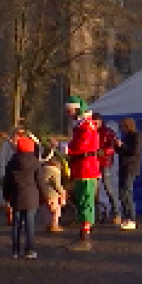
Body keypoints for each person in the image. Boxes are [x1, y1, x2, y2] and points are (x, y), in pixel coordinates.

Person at [64, 95, 100, 251]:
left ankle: (85, 238)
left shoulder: (86, 126)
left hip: (86, 167)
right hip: (81, 167)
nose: (68, 113)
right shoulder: (80, 126)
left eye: (70, 110)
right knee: (82, 200)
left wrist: (67, 149)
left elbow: (83, 146)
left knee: (86, 200)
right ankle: (83, 235)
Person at [4, 135, 44, 259]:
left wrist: (7, 197)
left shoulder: (11, 162)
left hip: (16, 196)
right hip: (31, 197)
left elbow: (7, 182)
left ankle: (15, 250)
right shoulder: (35, 162)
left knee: (16, 225)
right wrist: (44, 196)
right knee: (29, 224)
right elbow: (40, 181)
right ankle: (30, 250)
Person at [114, 117, 142, 231]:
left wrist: (122, 145)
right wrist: (117, 146)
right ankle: (127, 217)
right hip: (123, 167)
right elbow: (122, 151)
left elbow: (134, 152)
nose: (121, 129)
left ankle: (132, 219)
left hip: (131, 168)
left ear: (127, 126)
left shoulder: (137, 136)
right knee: (121, 193)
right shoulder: (126, 137)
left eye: (122, 127)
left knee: (127, 192)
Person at [93, 113, 121, 225]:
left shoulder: (107, 132)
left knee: (108, 187)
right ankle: (96, 214)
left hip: (105, 163)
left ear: (100, 121)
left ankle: (117, 213)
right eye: (93, 122)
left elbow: (113, 147)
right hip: (93, 163)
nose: (94, 124)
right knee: (94, 190)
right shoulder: (90, 131)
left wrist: (103, 152)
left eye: (96, 122)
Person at [40, 159, 66, 233]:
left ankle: (48, 225)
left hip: (43, 194)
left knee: (46, 211)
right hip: (52, 194)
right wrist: (62, 192)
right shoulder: (55, 172)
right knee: (55, 211)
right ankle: (54, 226)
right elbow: (57, 185)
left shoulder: (42, 171)